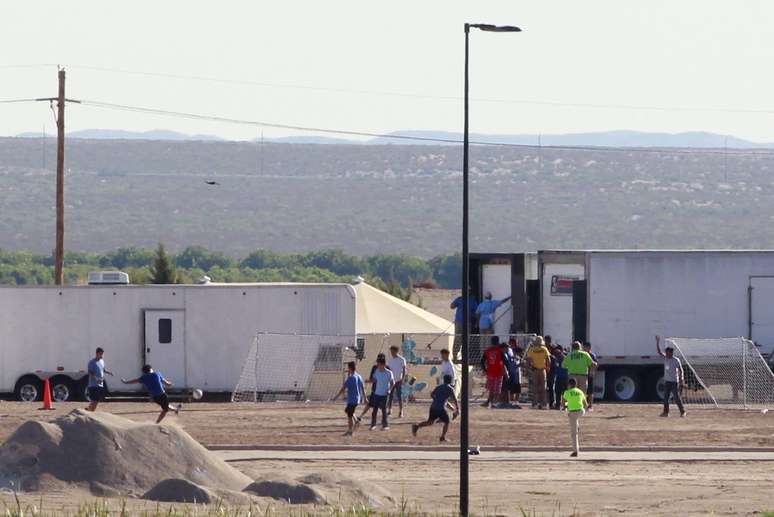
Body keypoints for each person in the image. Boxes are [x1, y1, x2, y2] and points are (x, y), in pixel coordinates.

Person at [412, 374, 459, 442]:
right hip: (440, 409)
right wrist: (457, 408)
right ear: (450, 381)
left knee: (430, 422)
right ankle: (442, 437)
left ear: (444, 380)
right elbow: (455, 399)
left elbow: (432, 394)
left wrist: (436, 400)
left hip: (433, 407)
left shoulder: (439, 387)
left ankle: (416, 426)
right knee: (447, 422)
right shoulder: (450, 389)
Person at [333, 361, 367, 437]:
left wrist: (336, 397)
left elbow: (343, 388)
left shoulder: (351, 378)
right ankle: (357, 421)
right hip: (357, 399)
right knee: (349, 411)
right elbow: (362, 387)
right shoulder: (359, 376)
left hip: (352, 400)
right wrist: (365, 398)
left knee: (349, 416)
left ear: (349, 368)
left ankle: (350, 431)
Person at [655, 335, 686, 417]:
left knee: (676, 398)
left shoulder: (676, 360)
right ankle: (666, 412)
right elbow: (659, 352)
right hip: (667, 381)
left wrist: (681, 378)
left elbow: (680, 370)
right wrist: (657, 342)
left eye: (669, 352)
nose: (667, 354)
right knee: (665, 398)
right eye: (666, 352)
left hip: (674, 382)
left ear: (671, 353)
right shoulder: (665, 358)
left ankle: (683, 412)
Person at [562, 378, 588, 457]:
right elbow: (586, 404)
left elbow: (563, 402)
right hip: (581, 411)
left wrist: (565, 406)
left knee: (574, 434)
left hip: (573, 412)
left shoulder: (567, 392)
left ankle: (575, 451)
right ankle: (577, 426)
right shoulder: (580, 391)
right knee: (576, 419)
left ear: (569, 385)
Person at [357, 353, 388, 421]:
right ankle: (361, 416)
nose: (378, 362)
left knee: (382, 406)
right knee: (370, 404)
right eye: (378, 360)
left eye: (380, 360)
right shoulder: (374, 367)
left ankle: (384, 420)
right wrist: (368, 381)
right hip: (375, 390)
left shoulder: (387, 368)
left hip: (383, 391)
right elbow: (372, 378)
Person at [481, 336, 508, 408]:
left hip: (490, 372)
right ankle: (494, 403)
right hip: (498, 372)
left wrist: (485, 369)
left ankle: (489, 402)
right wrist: (506, 370)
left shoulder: (487, 350)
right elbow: (505, 361)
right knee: (497, 389)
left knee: (491, 388)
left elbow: (482, 361)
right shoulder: (500, 351)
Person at [451, 290, 478, 357]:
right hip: (464, 322)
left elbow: (452, 306)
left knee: (459, 339)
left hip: (462, 322)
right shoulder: (470, 300)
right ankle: (458, 356)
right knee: (463, 339)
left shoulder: (463, 299)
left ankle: (458, 356)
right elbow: (477, 312)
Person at [370, 356, 395, 430]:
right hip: (377, 393)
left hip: (384, 394)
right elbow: (374, 380)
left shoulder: (389, 373)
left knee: (384, 410)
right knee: (375, 410)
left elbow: (392, 382)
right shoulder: (376, 371)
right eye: (377, 364)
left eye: (379, 364)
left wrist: (389, 390)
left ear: (383, 364)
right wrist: (369, 381)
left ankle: (385, 425)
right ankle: (373, 425)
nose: (378, 365)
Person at [86, 347, 114, 412]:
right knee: (94, 400)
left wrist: (109, 372)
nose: (102, 355)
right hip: (93, 385)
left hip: (100, 384)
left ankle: (89, 411)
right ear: (97, 353)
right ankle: (90, 412)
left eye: (102, 354)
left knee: (96, 400)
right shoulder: (92, 362)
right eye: (101, 354)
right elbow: (90, 372)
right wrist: (96, 378)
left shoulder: (102, 361)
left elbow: (103, 370)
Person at [527, 336, 551, 409]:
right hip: (542, 369)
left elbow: (528, 360)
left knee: (535, 387)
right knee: (543, 387)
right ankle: (544, 404)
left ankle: (535, 404)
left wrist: (530, 368)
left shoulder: (531, 349)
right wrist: (547, 368)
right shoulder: (544, 349)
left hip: (534, 370)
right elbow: (548, 359)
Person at [387, 345, 407, 418]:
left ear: (396, 351)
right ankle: (390, 410)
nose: (391, 353)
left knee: (399, 396)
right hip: (391, 381)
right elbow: (389, 370)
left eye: (393, 351)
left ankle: (401, 411)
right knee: (390, 396)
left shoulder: (402, 359)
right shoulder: (390, 360)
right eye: (391, 351)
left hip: (399, 380)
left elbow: (404, 369)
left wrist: (403, 379)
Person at [502, 338, 522, 408]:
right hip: (512, 374)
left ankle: (516, 402)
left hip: (517, 375)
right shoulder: (509, 354)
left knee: (518, 389)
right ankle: (512, 402)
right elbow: (512, 365)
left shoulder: (517, 357)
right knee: (512, 389)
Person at [583, 342, 598, 409]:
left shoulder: (592, 355)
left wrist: (592, 372)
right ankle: (585, 404)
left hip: (589, 374)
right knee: (584, 390)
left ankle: (590, 405)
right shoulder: (583, 354)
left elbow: (595, 364)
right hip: (584, 374)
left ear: (589, 347)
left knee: (590, 390)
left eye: (584, 347)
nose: (583, 348)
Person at [545, 336, 557, 408]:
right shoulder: (543, 348)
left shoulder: (553, 348)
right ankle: (544, 402)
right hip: (544, 368)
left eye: (548, 340)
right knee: (544, 387)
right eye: (546, 340)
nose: (547, 342)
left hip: (551, 369)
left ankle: (551, 403)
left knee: (551, 387)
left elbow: (555, 357)